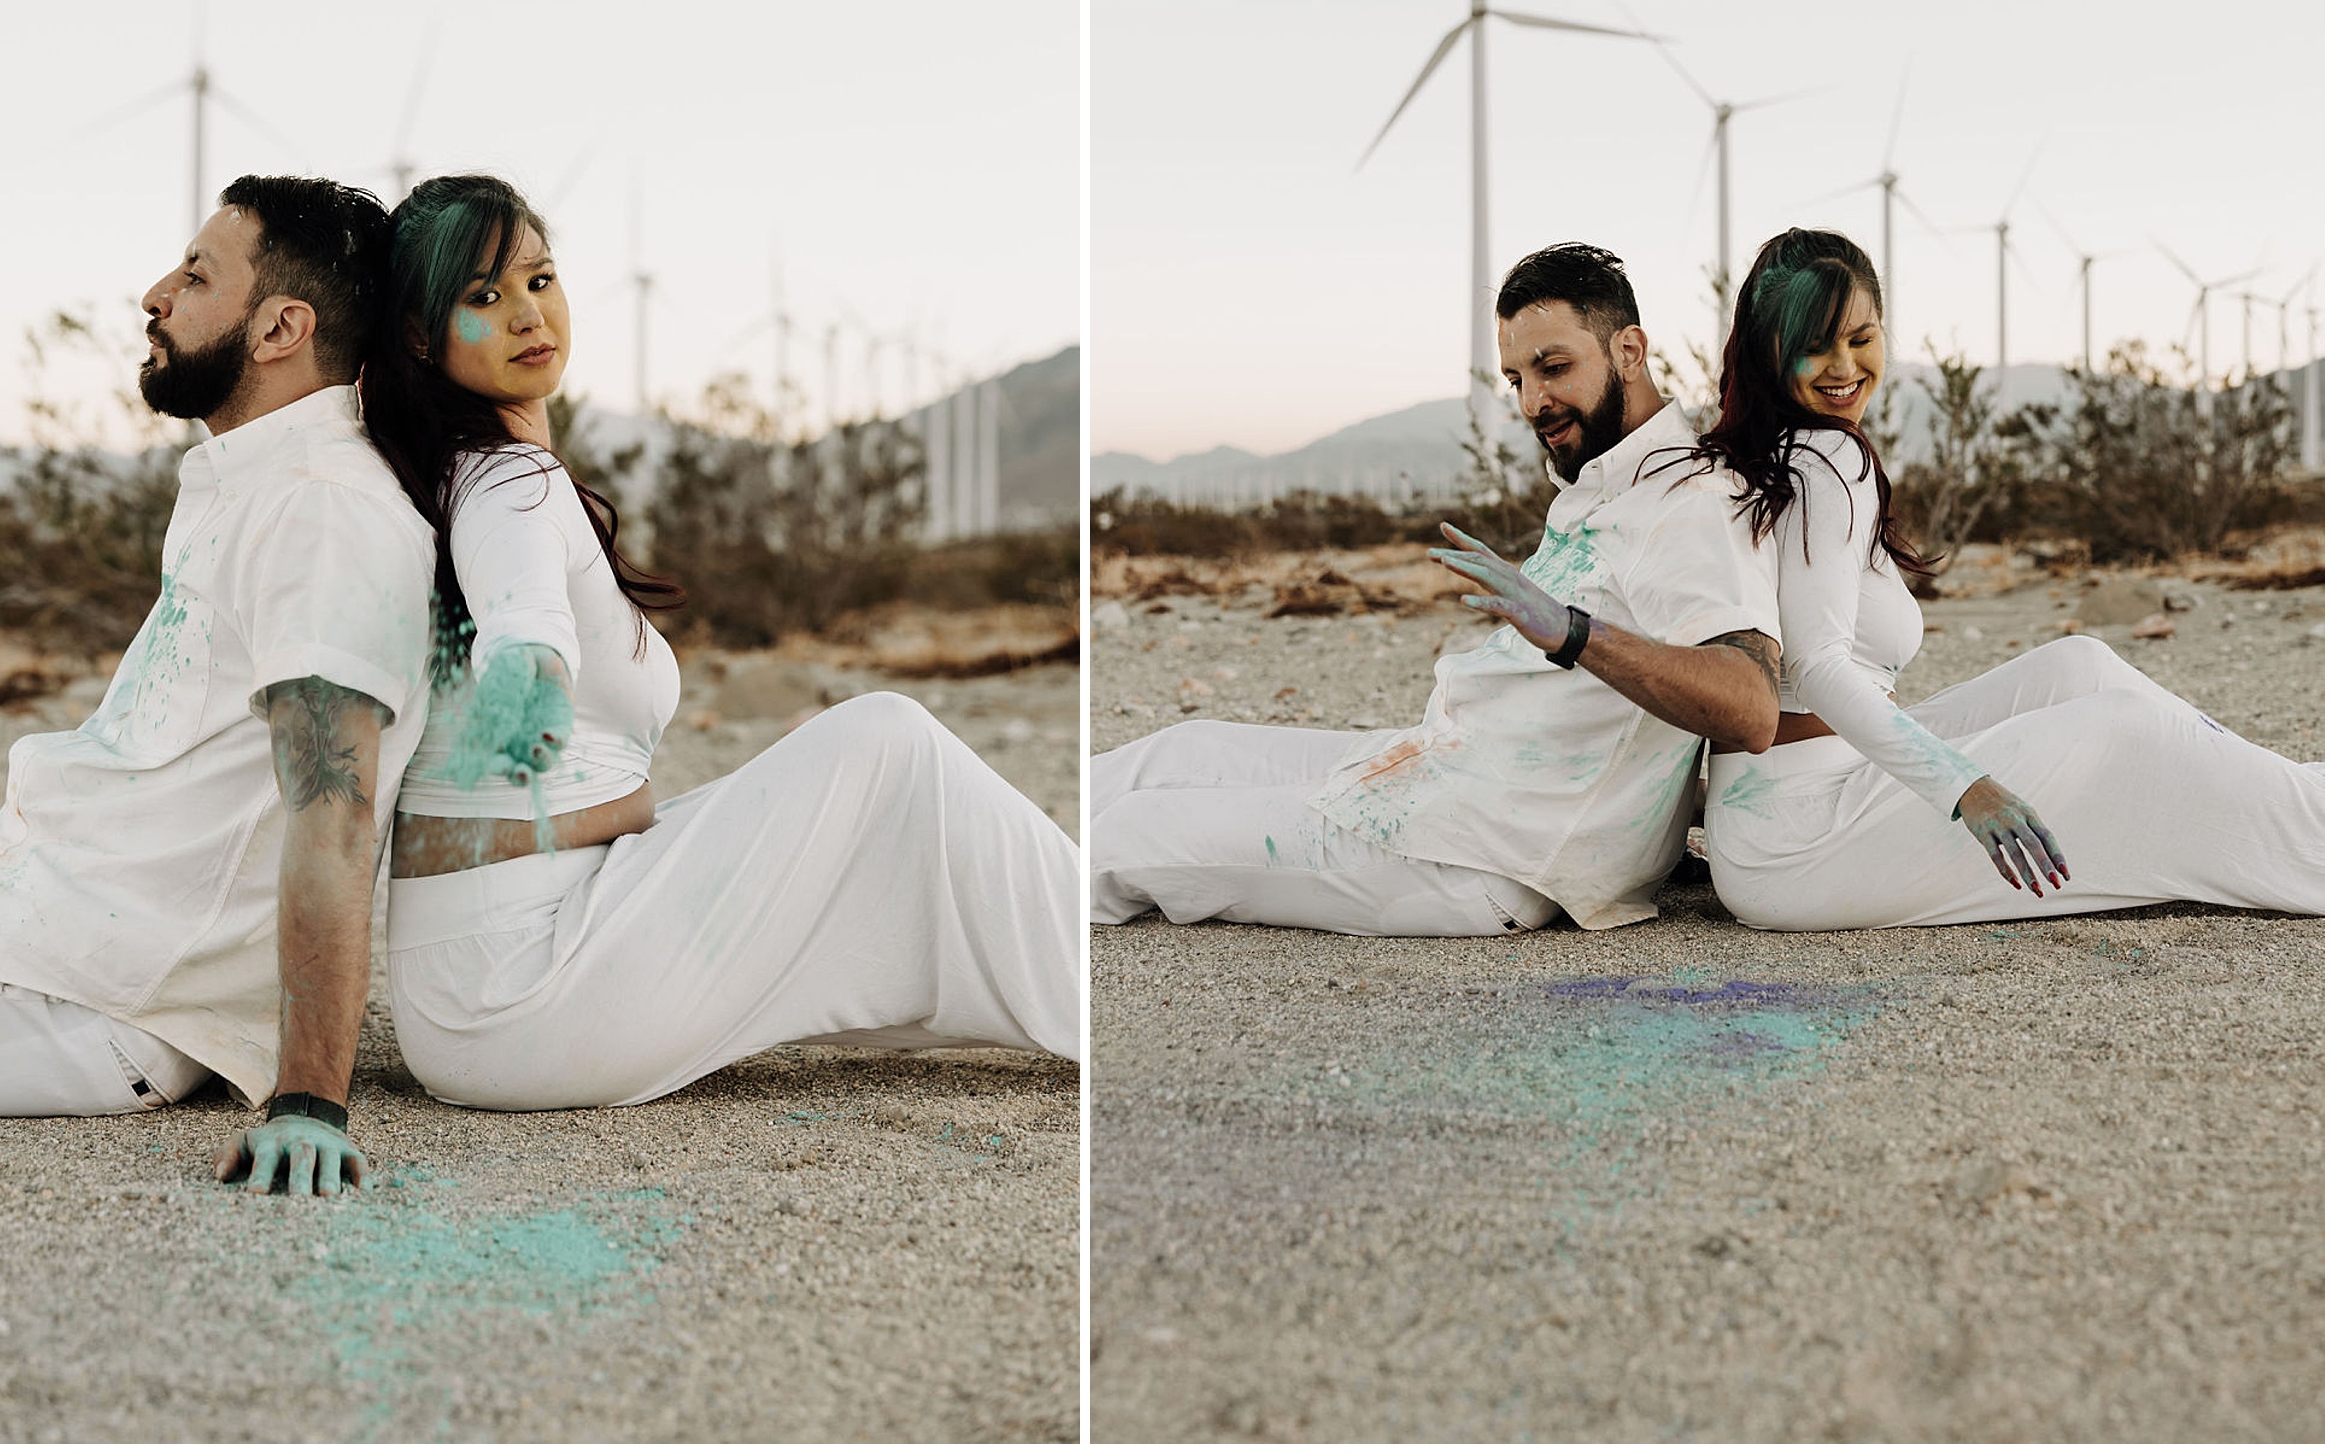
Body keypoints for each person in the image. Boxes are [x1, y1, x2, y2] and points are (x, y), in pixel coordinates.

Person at [357, 174, 1077, 1110]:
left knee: (863, 792)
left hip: (477, 988)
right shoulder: (506, 484)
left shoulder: (462, 477)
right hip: (526, 989)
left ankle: (1061, 953)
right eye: (482, 298)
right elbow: (521, 598)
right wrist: (526, 670)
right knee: (888, 739)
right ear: (420, 335)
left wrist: (611, 808)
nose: (528, 314)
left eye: (539, 279)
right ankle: (1093, 989)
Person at [0, 176, 435, 1199]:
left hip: (94, 999)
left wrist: (309, 1099)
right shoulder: (253, 481)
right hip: (29, 927)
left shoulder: (323, 513)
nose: (156, 294)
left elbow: (334, 811)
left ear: (280, 328)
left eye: (198, 274)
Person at [1092, 243, 1782, 937]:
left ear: (1629, 350)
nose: (1533, 401)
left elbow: (1750, 704)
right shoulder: (1606, 477)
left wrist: (1575, 631)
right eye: (1515, 377)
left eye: (1554, 367)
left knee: (1132, 834)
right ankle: (1002, 834)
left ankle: (1000, 942)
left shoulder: (1690, 500)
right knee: (1181, 752)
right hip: (1444, 772)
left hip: (1487, 855)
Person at [1693, 226, 2323, 929]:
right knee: (2126, 729)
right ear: (1768, 348)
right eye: (1816, 343)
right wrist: (1966, 786)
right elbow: (1814, 667)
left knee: (2077, 664)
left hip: (1781, 811)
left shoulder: (1768, 455)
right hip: (1801, 838)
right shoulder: (1825, 460)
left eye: (1860, 337)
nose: (1844, 365)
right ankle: (2311, 829)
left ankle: (2300, 795)